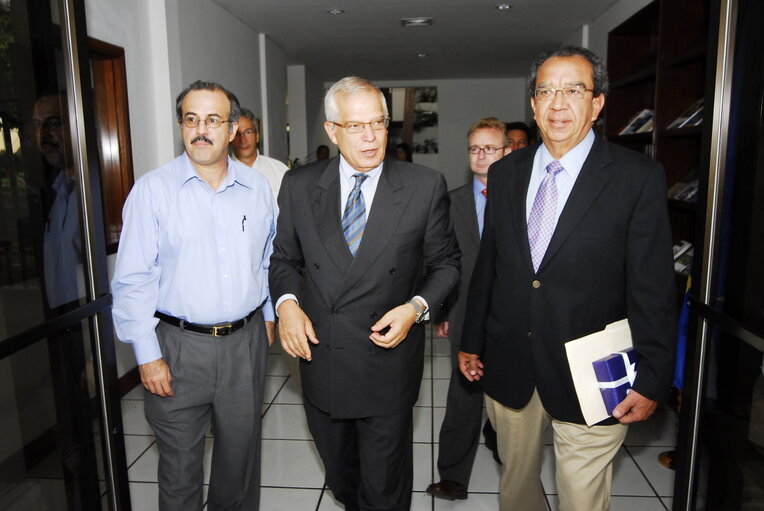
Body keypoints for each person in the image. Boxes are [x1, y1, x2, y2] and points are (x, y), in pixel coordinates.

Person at [459, 46, 676, 511]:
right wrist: (471, 339)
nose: (558, 103)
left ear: (596, 103)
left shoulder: (636, 178)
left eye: (573, 90)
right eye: (546, 91)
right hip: (510, 358)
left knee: (581, 496)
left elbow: (653, 287)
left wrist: (654, 376)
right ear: (533, 105)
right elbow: (489, 268)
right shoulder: (506, 173)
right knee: (516, 485)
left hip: (593, 369)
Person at [269, 76, 460, 511]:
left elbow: (447, 264)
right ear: (332, 131)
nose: (371, 136)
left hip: (387, 361)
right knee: (342, 475)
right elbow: (282, 259)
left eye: (379, 122)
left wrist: (416, 308)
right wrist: (287, 305)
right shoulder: (300, 185)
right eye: (356, 126)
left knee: (385, 485)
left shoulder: (423, 185)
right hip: (324, 357)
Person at [111, 80, 276, 511]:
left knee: (238, 465)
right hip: (176, 348)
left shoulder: (258, 190)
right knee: (180, 470)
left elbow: (269, 258)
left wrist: (272, 312)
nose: (201, 130)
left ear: (234, 128)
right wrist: (146, 355)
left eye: (212, 120)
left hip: (246, 344)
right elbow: (132, 280)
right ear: (182, 126)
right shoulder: (153, 190)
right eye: (191, 119)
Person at [426, 117, 510, 501]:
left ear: (507, 151)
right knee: (463, 395)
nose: (481, 155)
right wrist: (442, 312)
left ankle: (513, 464)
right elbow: (443, 261)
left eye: (490, 148)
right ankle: (453, 476)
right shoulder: (452, 201)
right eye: (475, 148)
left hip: (512, 315)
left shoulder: (524, 198)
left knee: (512, 395)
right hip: (463, 311)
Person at [231, 107, 289, 199]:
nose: (243, 139)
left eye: (248, 132)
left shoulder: (280, 170)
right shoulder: (221, 175)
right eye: (237, 134)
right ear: (230, 138)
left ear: (257, 136)